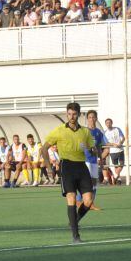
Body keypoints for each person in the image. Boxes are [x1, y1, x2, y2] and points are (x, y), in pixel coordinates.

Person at [41, 102, 98, 243]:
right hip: (66, 166)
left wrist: (92, 150)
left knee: (88, 201)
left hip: (81, 167)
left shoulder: (85, 132)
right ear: (67, 114)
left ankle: (74, 221)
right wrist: (49, 168)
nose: (71, 117)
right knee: (71, 198)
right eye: (69, 114)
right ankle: (75, 235)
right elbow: (43, 149)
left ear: (79, 114)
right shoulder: (59, 130)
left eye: (74, 114)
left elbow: (93, 149)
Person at [84, 110, 109, 206]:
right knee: (86, 183)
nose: (91, 119)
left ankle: (91, 204)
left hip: (94, 161)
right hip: (85, 161)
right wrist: (89, 148)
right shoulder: (84, 131)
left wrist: (101, 160)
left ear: (96, 118)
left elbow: (100, 147)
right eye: (89, 117)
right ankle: (79, 201)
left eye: (93, 117)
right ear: (87, 119)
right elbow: (81, 145)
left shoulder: (98, 132)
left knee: (94, 184)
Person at [102, 118, 126, 185]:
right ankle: (118, 178)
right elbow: (106, 143)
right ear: (105, 124)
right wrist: (113, 144)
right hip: (112, 151)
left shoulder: (117, 129)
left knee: (121, 164)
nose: (108, 124)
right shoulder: (105, 133)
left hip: (120, 150)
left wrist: (120, 143)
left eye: (109, 123)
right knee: (116, 166)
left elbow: (123, 138)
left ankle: (115, 176)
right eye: (107, 123)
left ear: (112, 123)